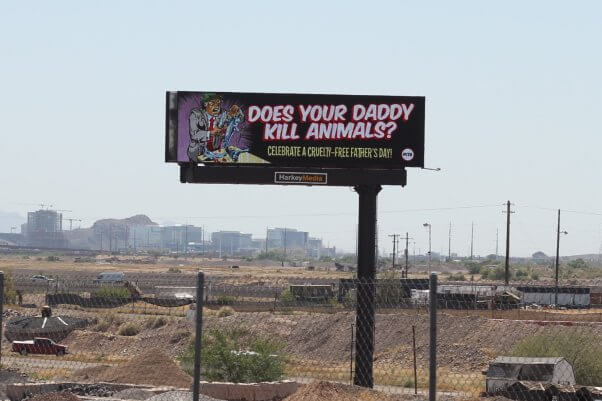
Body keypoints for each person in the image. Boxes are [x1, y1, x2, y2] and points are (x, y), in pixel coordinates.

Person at [187, 93, 243, 162]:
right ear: (205, 104)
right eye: (212, 103)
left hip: (215, 153)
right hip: (198, 153)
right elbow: (194, 135)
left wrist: (238, 112)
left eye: (218, 103)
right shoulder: (196, 114)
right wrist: (210, 133)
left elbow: (240, 120)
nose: (217, 106)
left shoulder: (223, 113)